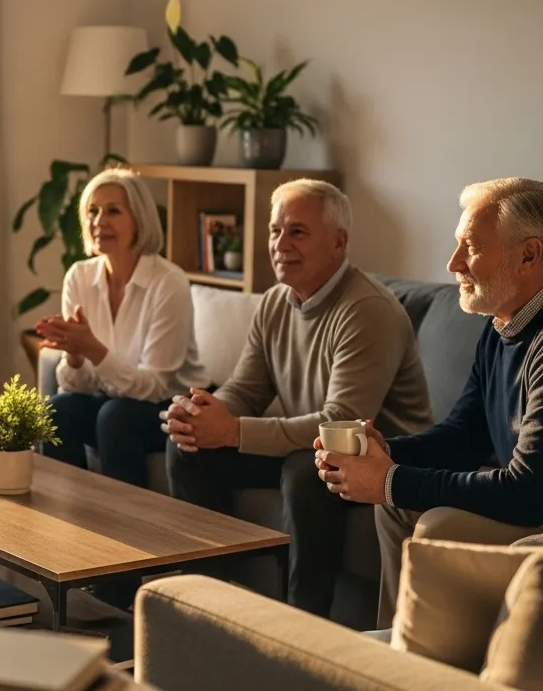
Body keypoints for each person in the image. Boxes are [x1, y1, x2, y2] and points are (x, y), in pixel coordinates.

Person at [314, 177, 543, 627]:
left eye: (470, 247)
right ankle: (402, 649)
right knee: (395, 501)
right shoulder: (504, 325)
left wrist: (390, 479)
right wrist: (383, 454)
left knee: (432, 524)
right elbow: (462, 436)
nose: (453, 264)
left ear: (529, 254)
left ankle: (417, 654)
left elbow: (528, 494)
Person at [162, 178, 432, 619]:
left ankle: (303, 629)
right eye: (274, 230)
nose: (280, 244)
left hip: (378, 460)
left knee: (308, 470)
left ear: (339, 242)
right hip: (311, 449)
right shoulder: (274, 303)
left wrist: (232, 431)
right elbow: (246, 389)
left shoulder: (367, 311)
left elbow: (341, 422)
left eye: (298, 232)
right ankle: (205, 611)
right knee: (191, 451)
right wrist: (204, 413)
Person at [37, 167, 208, 488]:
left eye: (113, 211)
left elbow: (155, 386)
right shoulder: (79, 276)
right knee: (57, 408)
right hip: (115, 400)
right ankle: (63, 519)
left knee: (116, 417)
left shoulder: (168, 282)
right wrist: (74, 355)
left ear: (139, 219)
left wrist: (93, 349)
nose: (99, 221)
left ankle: (124, 532)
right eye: (92, 211)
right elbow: (77, 386)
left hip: (174, 405)